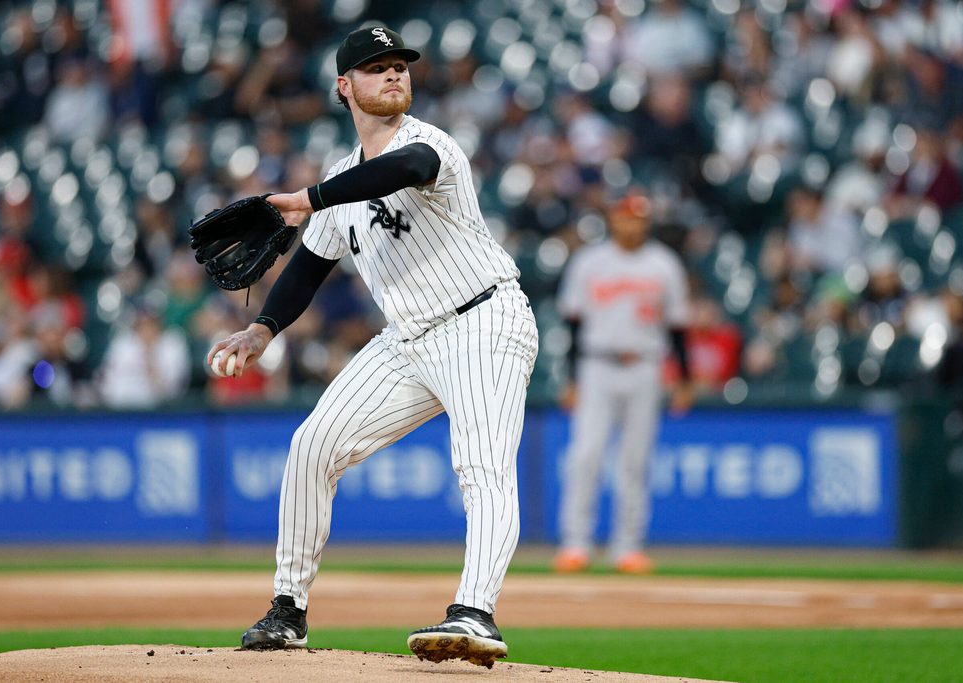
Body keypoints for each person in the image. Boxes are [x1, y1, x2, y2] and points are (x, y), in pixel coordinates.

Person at [206, 26, 538, 667]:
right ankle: (287, 610)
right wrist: (261, 330)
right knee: (312, 445)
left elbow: (405, 171)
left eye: (399, 66)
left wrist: (310, 197)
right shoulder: (339, 179)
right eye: (374, 67)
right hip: (407, 341)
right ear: (344, 86)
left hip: (483, 322)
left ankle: (475, 611)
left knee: (481, 467)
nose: (392, 76)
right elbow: (307, 265)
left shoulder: (428, 145)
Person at [553, 189, 693, 575]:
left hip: (646, 365)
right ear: (614, 219)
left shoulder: (664, 265)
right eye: (626, 216)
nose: (632, 223)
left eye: (639, 218)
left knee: (635, 460)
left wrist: (684, 379)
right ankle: (575, 543)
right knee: (586, 456)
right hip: (596, 365)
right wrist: (571, 379)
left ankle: (627, 546)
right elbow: (573, 325)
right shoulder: (590, 262)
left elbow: (678, 328)